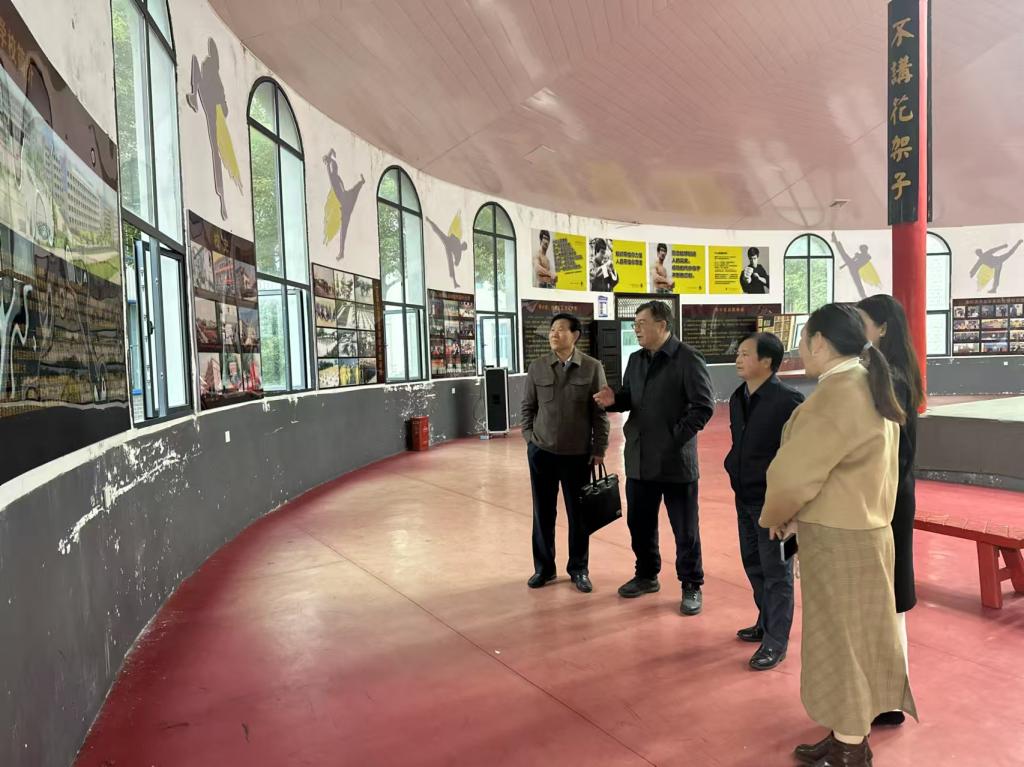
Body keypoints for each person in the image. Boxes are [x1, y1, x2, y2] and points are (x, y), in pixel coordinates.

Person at [760, 303, 916, 766]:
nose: (800, 348)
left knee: (840, 640)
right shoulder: (870, 384)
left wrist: (777, 515)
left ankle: (850, 746)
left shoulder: (838, 394)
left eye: (803, 339)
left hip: (839, 540)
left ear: (820, 342)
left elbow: (793, 475)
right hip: (868, 531)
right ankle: (849, 732)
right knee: (856, 637)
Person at [594, 301, 715, 615]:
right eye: (634, 323)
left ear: (662, 325)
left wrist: (674, 438)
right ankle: (647, 575)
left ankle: (691, 584)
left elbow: (703, 406)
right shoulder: (636, 360)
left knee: (685, 529)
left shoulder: (687, 358)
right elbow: (629, 397)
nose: (636, 329)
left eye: (641, 323)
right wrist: (613, 401)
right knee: (640, 523)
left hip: (676, 462)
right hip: (639, 458)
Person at [857, 294, 925, 728]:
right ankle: (883, 694)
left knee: (887, 599)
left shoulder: (890, 379)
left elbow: (886, 452)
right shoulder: (891, 373)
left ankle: (889, 698)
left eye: (861, 321)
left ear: (882, 328)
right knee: (884, 599)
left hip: (888, 500)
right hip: (889, 496)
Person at [724, 333, 804, 671]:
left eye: (745, 354)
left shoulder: (789, 402)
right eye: (739, 353)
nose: (738, 359)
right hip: (745, 498)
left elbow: (799, 458)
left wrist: (792, 509)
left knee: (778, 573)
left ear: (767, 362)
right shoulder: (738, 397)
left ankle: (776, 641)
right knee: (753, 563)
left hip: (777, 505)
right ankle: (766, 621)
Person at [521, 313, 610, 593]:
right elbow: (528, 408)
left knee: (579, 515)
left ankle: (579, 569)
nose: (553, 334)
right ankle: (544, 569)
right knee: (543, 513)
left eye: (560, 329)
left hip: (577, 456)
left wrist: (599, 448)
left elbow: (599, 414)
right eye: (552, 330)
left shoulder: (592, 367)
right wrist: (530, 440)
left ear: (575, 335)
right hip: (542, 453)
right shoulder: (537, 367)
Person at [186, 39, 242, 220]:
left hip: (214, 111)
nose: (205, 63)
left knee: (217, 153)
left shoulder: (213, 74)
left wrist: (218, 107)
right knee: (216, 153)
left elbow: (223, 103)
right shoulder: (210, 72)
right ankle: (222, 199)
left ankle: (222, 199)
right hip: (211, 107)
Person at [322, 149, 365, 261]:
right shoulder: (332, 179)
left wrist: (331, 155)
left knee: (355, 191)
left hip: (346, 199)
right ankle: (341, 252)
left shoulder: (335, 176)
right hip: (344, 203)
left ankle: (341, 252)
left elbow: (334, 166)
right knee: (343, 230)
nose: (334, 168)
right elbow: (330, 169)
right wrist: (329, 157)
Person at [426, 216, 468, 289]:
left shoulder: (459, 252)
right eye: (463, 245)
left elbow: (456, 263)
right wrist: (456, 262)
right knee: (438, 231)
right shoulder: (458, 244)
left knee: (450, 263)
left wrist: (456, 262)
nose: (462, 246)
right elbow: (452, 236)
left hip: (448, 247)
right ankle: (429, 221)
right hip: (447, 242)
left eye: (463, 247)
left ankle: (454, 282)